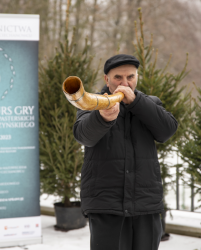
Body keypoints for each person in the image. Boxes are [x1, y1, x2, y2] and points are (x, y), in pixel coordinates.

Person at [73, 54, 178, 250]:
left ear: (137, 77)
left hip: (145, 205)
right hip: (105, 205)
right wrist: (102, 118)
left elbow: (167, 130)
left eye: (130, 77)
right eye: (118, 78)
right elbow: (83, 136)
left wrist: (137, 103)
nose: (125, 83)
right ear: (106, 79)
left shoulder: (150, 103)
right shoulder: (93, 104)